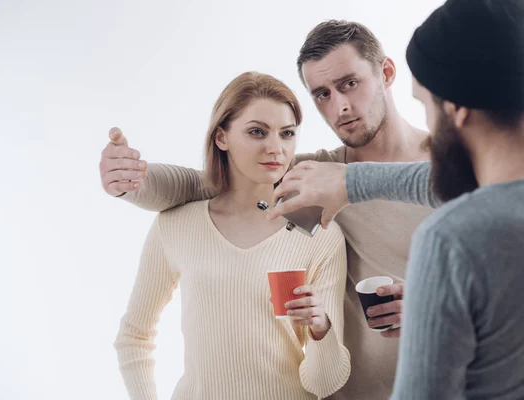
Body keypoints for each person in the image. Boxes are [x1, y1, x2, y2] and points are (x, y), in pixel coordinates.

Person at [265, 0, 524, 398]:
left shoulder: (450, 239)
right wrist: (353, 181)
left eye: (425, 104)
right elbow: (462, 183)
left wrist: (433, 311)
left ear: (455, 107)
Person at [100, 21, 432, 399]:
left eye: (350, 83)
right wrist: (131, 180)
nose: (339, 106)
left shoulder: (455, 172)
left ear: (386, 72)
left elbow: (509, 291)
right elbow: (206, 185)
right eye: (321, 94)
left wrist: (435, 309)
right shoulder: (312, 179)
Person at [113, 71, 350, 400]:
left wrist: (321, 328)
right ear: (221, 138)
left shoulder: (320, 235)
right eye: (257, 132)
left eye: (286, 134)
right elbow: (134, 335)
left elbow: (323, 384)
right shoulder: (177, 224)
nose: (275, 148)